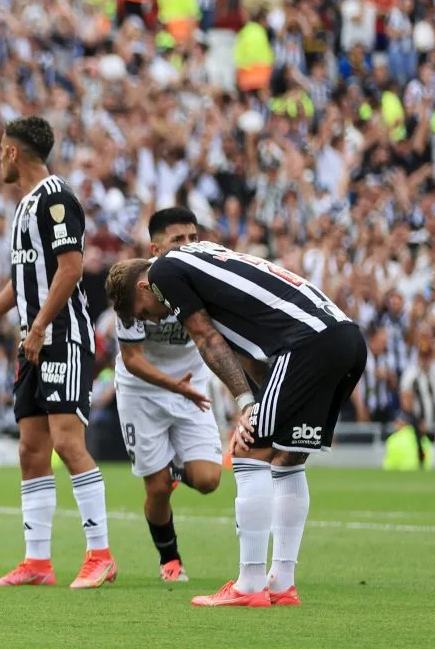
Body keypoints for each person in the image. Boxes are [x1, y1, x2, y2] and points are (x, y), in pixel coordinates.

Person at [105, 240, 366, 607]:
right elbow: (249, 353)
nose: (154, 320)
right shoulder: (200, 259)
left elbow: (207, 339)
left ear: (144, 286)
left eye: (144, 312)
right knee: (288, 459)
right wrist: (261, 401)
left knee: (247, 451)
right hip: (346, 338)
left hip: (306, 345)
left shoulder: (163, 271)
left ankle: (250, 584)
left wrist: (247, 405)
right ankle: (282, 584)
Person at [0, 116, 114, 589]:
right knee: (31, 449)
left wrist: (40, 325)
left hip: (62, 335)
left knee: (67, 443)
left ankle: (100, 554)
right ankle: (37, 562)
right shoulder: (24, 205)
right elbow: (23, 280)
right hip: (33, 339)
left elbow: (71, 268)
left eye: (1, 150)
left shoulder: (56, 198)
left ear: (12, 152)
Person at [108, 208, 222, 583]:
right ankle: (170, 560)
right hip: (142, 390)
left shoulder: (210, 279)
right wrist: (174, 386)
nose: (188, 246)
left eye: (193, 238)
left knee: (208, 480)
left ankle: (172, 467)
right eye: (178, 240)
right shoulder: (133, 285)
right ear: (155, 249)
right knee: (157, 490)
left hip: (192, 383)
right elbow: (132, 358)